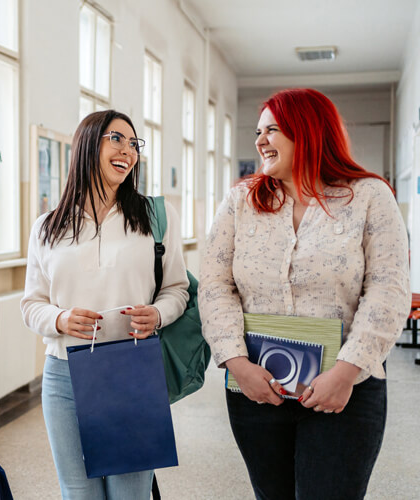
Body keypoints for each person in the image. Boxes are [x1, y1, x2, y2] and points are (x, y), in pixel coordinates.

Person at [199, 88, 409, 499]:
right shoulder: (241, 201)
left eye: (272, 129)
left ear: (309, 131)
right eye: (258, 131)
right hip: (257, 388)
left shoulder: (368, 196)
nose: (260, 141)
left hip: (344, 391)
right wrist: (237, 363)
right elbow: (214, 285)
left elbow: (388, 290)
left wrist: (346, 373)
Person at [21, 110, 189, 499]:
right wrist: (60, 319)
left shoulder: (155, 216)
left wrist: (158, 314)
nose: (127, 151)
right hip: (65, 375)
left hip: (132, 370)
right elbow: (32, 303)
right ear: (87, 144)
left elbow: (178, 289)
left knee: (130, 493)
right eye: (117, 139)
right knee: (79, 493)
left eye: (134, 144)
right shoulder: (48, 226)